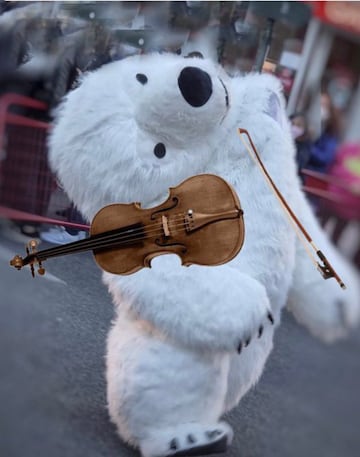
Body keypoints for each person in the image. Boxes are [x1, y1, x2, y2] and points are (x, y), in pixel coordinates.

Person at [307, 91, 341, 174]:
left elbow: (325, 158)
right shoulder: (304, 122)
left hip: (312, 174)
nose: (320, 109)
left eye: (324, 105)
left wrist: (308, 145)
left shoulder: (330, 132)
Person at [289, 111, 312, 181]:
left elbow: (298, 165)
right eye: (292, 123)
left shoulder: (304, 147)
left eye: (298, 125)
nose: (294, 127)